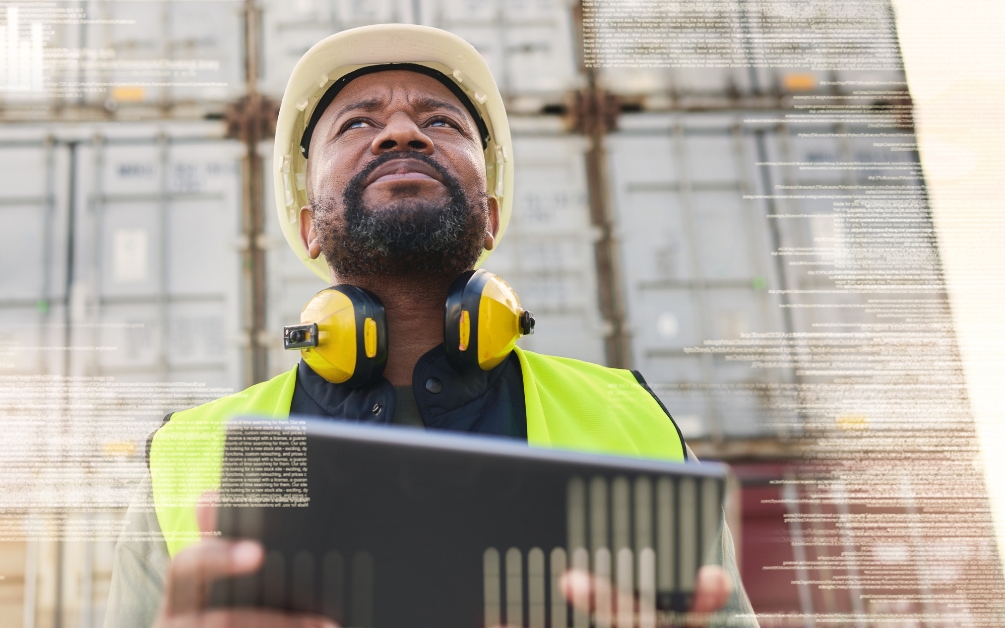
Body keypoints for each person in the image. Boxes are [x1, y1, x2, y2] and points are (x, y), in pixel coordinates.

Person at [103, 24, 755, 628]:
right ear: (307, 225)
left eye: (440, 121)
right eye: (358, 123)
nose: (402, 134)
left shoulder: (630, 421)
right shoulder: (196, 456)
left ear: (492, 217)